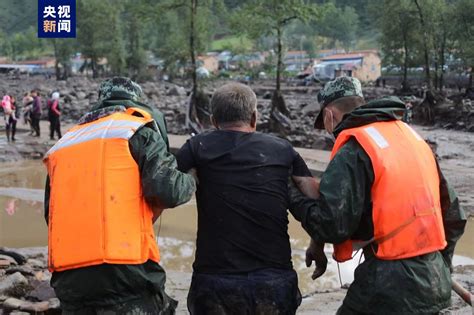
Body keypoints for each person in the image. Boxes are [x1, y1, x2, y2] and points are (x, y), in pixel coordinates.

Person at [288, 76, 467, 314]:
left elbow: (331, 225)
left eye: (325, 124)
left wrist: (291, 193)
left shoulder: (353, 149)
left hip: (388, 283)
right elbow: (454, 214)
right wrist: (441, 267)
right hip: (433, 276)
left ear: (330, 116)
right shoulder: (410, 137)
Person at [43, 77, 196, 314]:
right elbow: (168, 190)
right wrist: (192, 178)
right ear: (135, 102)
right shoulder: (135, 128)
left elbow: (50, 215)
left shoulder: (62, 146)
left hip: (69, 281)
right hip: (126, 274)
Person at [176, 83, 319, 315]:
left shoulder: (197, 147)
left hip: (214, 281)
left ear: (213, 121)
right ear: (254, 117)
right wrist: (317, 242)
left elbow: (167, 190)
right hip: (274, 281)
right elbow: (312, 192)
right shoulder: (282, 149)